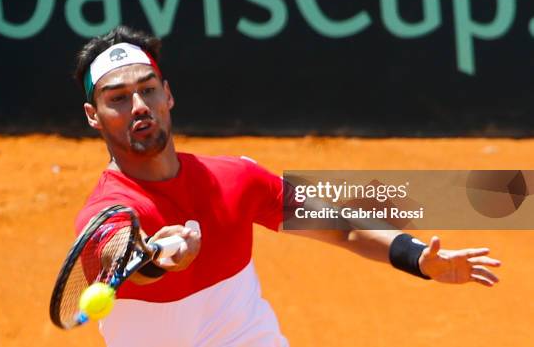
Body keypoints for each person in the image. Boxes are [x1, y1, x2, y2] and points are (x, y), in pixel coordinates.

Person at [73, 25, 501, 347]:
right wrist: (155, 257)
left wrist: (416, 259)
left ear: (168, 95)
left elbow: (342, 226)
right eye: (119, 98)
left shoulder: (235, 178)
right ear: (94, 115)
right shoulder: (105, 214)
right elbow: (116, 252)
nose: (139, 107)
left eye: (148, 90)